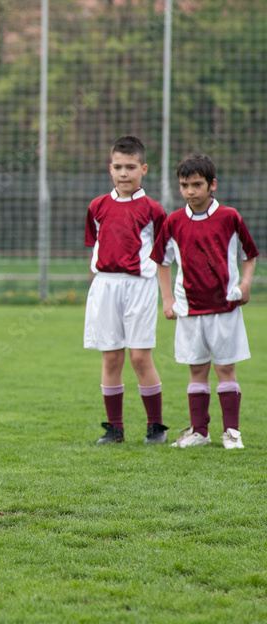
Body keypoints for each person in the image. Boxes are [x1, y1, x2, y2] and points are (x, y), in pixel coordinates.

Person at [152, 153, 258, 449]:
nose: (189, 191)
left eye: (196, 184)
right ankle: (200, 431)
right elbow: (162, 262)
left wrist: (245, 283)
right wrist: (167, 298)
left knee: (226, 369)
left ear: (212, 185)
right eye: (184, 185)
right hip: (189, 309)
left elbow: (249, 256)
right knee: (196, 370)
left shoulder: (230, 217)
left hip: (224, 306)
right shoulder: (173, 221)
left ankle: (232, 432)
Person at [83, 135, 169, 445]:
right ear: (110, 168)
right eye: (118, 167)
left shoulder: (153, 210)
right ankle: (114, 429)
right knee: (110, 359)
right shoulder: (97, 206)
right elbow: (95, 248)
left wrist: (167, 297)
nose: (123, 174)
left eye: (130, 167)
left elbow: (162, 257)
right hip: (106, 286)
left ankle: (155, 427)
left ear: (143, 169)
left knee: (139, 358)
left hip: (140, 286)